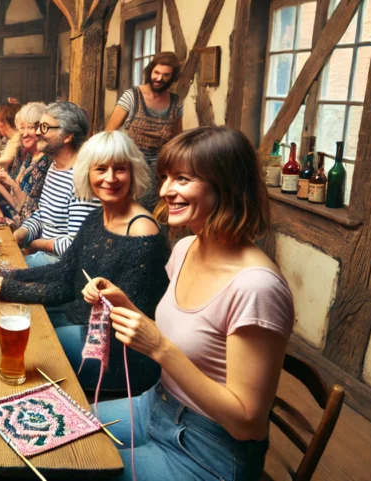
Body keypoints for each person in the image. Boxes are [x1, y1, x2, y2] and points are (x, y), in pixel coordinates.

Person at [88, 126, 294, 481]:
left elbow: (247, 421)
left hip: (209, 449)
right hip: (156, 405)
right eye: (165, 177)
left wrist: (160, 349)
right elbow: (180, 335)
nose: (166, 190)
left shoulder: (257, 287)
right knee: (61, 441)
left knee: (79, 471)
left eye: (183, 178)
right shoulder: (185, 249)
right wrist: (124, 304)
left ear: (225, 185)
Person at [0, 131, 169, 393]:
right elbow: (65, 271)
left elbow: (117, 325)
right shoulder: (97, 217)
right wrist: (7, 275)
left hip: (119, 356)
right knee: (0, 331)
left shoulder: (143, 234)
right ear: (87, 174)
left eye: (120, 169)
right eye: (101, 169)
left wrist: (10, 288)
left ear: (133, 172)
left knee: (26, 350)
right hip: (81, 322)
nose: (110, 178)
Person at [13, 102, 99, 267]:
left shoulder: (80, 177)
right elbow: (43, 215)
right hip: (44, 256)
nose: (38, 132)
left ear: (67, 136)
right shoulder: (55, 166)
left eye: (45, 127)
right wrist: (21, 233)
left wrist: (35, 244)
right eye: (38, 126)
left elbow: (75, 245)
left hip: (61, 266)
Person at [105, 51, 184, 209]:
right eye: (156, 73)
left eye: (166, 75)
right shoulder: (132, 96)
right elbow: (109, 132)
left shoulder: (175, 102)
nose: (159, 78)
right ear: (150, 71)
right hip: (131, 163)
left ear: (173, 77)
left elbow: (176, 140)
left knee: (155, 211)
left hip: (160, 168)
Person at [0, 102, 51, 223]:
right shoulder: (23, 153)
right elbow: (14, 199)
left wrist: (2, 184)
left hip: (29, 227)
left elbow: (33, 211)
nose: (24, 134)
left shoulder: (46, 162)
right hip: (12, 215)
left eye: (30, 127)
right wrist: (2, 183)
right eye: (22, 128)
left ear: (41, 129)